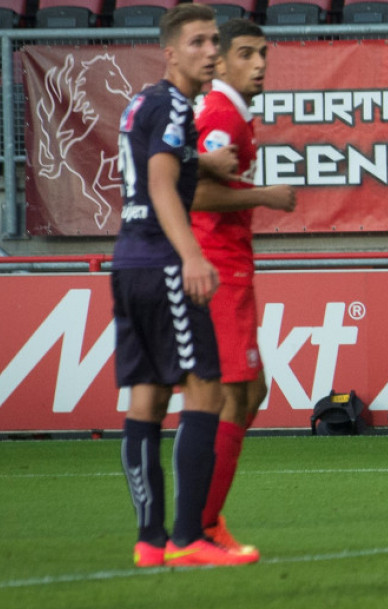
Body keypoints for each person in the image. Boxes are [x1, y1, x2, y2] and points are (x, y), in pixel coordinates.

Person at [113, 4, 255, 568]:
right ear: (170, 51)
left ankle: (149, 540)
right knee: (207, 391)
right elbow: (160, 180)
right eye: (198, 42)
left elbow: (159, 159)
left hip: (127, 263)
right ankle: (189, 536)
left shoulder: (140, 103)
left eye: (215, 41)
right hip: (164, 260)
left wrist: (203, 157)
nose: (211, 51)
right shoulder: (175, 104)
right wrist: (191, 255)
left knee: (146, 396)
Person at [188, 18, 298, 557]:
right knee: (238, 393)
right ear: (223, 61)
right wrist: (264, 196)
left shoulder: (234, 114)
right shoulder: (221, 115)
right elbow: (197, 198)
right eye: (248, 54)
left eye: (264, 54)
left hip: (229, 267)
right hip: (215, 268)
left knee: (245, 392)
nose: (260, 65)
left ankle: (204, 518)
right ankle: (203, 526)